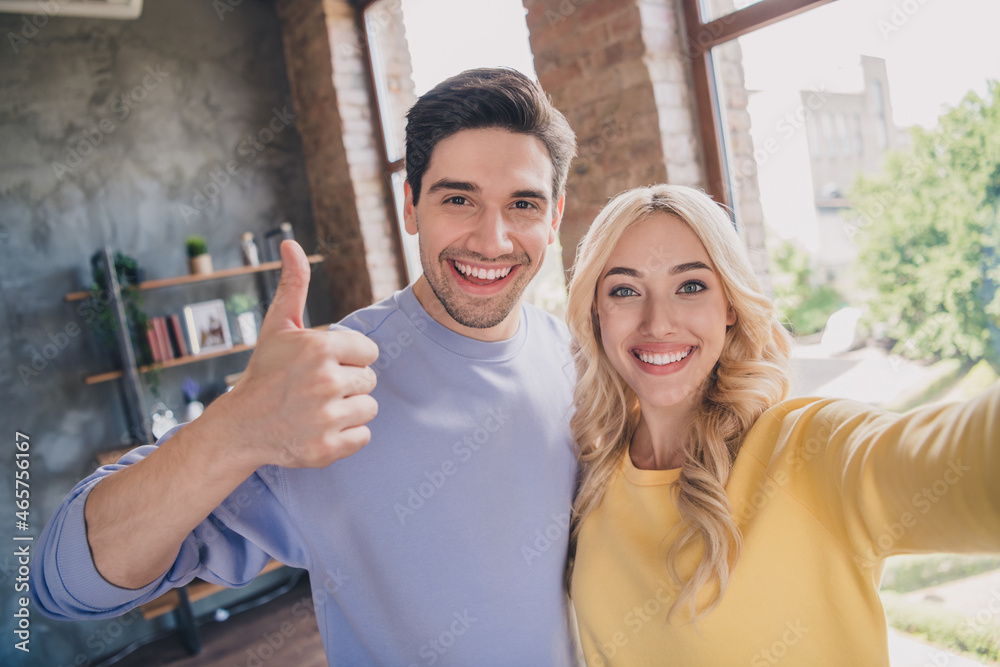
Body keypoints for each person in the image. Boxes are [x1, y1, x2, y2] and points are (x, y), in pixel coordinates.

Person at [33, 68, 580, 666]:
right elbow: (63, 586)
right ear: (411, 208)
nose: (492, 239)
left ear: (553, 219)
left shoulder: (577, 360)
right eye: (458, 199)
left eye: (522, 204)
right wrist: (234, 428)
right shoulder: (324, 386)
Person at [564, 183, 1000, 666]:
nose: (658, 322)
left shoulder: (809, 449)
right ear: (595, 312)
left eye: (690, 286)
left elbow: (967, 455)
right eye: (625, 290)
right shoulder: (594, 472)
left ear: (729, 305)